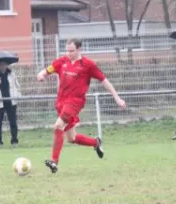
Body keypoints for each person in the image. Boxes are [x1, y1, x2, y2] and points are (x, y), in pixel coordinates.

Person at [37, 38, 126, 173]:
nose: (69, 53)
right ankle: (96, 143)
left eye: (72, 51)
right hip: (61, 102)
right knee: (71, 139)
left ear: (79, 49)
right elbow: (47, 70)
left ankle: (54, 162)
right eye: (67, 50)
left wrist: (117, 97)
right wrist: (42, 74)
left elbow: (104, 81)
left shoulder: (88, 64)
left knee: (58, 126)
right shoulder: (62, 61)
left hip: (75, 103)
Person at [0, 61, 20, 146]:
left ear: (6, 65)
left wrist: (18, 95)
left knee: (13, 122)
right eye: (0, 64)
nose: (2, 66)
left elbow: (17, 86)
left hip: (11, 101)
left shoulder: (12, 74)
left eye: (4, 64)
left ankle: (14, 140)